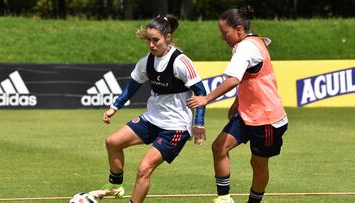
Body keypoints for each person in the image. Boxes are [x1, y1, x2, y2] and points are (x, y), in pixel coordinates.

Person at [89, 15, 207, 203]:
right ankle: (115, 185)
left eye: (155, 40)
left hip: (175, 126)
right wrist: (114, 107)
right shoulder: (146, 61)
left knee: (144, 168)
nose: (151, 45)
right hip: (152, 119)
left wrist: (199, 123)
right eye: (148, 40)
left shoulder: (181, 62)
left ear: (167, 37)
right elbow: (133, 86)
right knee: (112, 142)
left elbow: (201, 92)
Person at [187, 6, 288, 203]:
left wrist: (206, 99)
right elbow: (250, 78)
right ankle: (224, 199)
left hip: (266, 120)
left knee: (258, 164)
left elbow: (233, 79)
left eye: (225, 33)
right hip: (247, 114)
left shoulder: (246, 47)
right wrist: (238, 102)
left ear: (239, 29)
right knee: (219, 148)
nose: (223, 37)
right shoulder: (253, 41)